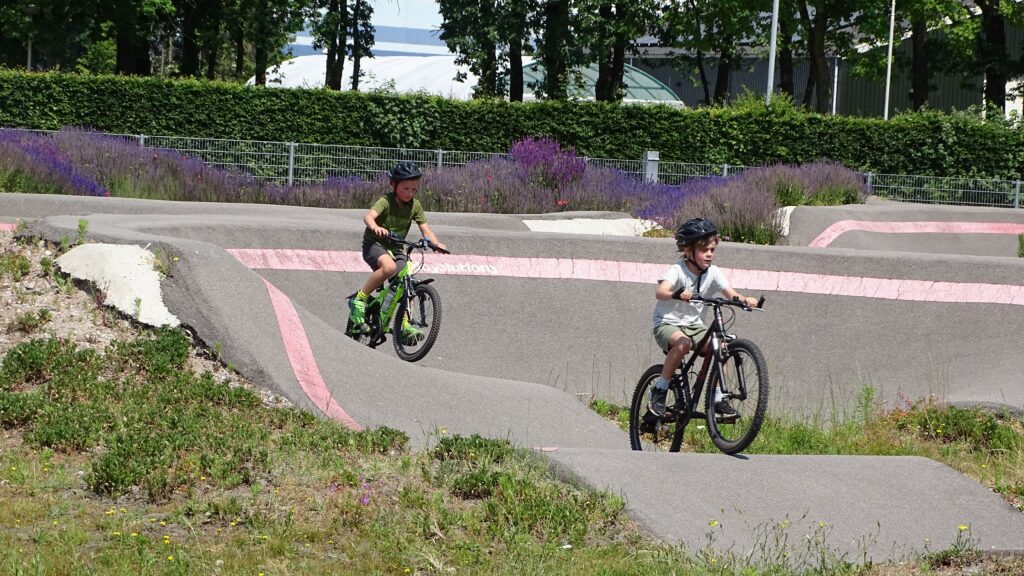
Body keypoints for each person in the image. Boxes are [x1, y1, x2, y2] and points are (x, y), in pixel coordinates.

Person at [649, 217, 758, 420]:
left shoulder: (713, 273)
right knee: (683, 344)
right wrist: (676, 294)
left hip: (695, 326)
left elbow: (730, 294)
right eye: (703, 250)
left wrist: (745, 300)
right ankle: (660, 388)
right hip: (667, 323)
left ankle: (718, 399)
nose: (709, 254)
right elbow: (660, 291)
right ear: (688, 251)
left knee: (722, 347)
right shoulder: (677, 270)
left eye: (712, 250)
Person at [348, 161, 447, 343]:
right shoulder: (386, 201)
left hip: (396, 248)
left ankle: (405, 324)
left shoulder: (415, 206)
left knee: (407, 282)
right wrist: (375, 227)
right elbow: (368, 216)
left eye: (414, 190)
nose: (410, 193)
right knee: (388, 267)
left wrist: (436, 243)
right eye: (406, 189)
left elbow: (426, 230)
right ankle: (359, 299)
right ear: (393, 185)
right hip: (374, 245)